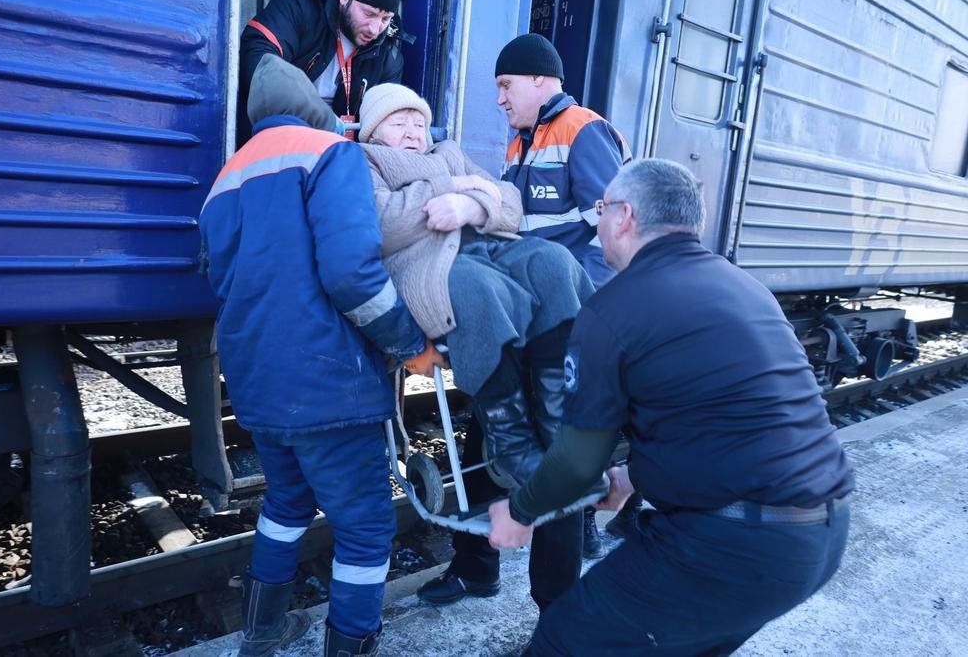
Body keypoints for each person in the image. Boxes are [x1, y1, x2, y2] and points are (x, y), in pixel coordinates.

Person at [488, 158, 855, 655]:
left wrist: (520, 511)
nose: (598, 222)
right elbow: (724, 417)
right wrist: (632, 477)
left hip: (731, 546)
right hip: (821, 535)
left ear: (624, 216)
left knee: (562, 641)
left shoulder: (613, 309)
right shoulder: (743, 286)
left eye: (601, 208)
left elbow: (577, 463)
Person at [199, 93, 445, 656]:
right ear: (315, 110)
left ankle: (262, 631)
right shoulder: (329, 153)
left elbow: (219, 280)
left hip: (256, 380)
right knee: (365, 525)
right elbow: (353, 274)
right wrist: (410, 344)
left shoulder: (226, 177)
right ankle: (352, 643)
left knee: (286, 501)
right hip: (328, 383)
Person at [355, 83, 595, 614]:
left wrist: (467, 201)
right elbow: (380, 223)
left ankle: (558, 606)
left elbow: (510, 203)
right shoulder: (364, 161)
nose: (413, 131)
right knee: (500, 416)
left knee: (555, 263)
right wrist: (453, 187)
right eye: (399, 122)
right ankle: (482, 565)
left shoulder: (448, 151)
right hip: (442, 276)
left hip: (498, 270)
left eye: (419, 122)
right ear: (374, 130)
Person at [495, 32, 630, 558]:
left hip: (573, 308)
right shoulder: (520, 141)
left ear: (538, 79)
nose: (500, 99)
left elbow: (613, 228)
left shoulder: (582, 130)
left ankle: (587, 523)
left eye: (506, 85)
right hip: (536, 307)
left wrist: (584, 307)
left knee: (572, 421)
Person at [240, 0, 406, 134]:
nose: (375, 30)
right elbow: (259, 59)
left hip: (340, 147)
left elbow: (387, 117)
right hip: (282, 132)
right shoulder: (301, 5)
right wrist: (319, 116)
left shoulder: (388, 52)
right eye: (369, 14)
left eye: (385, 19)